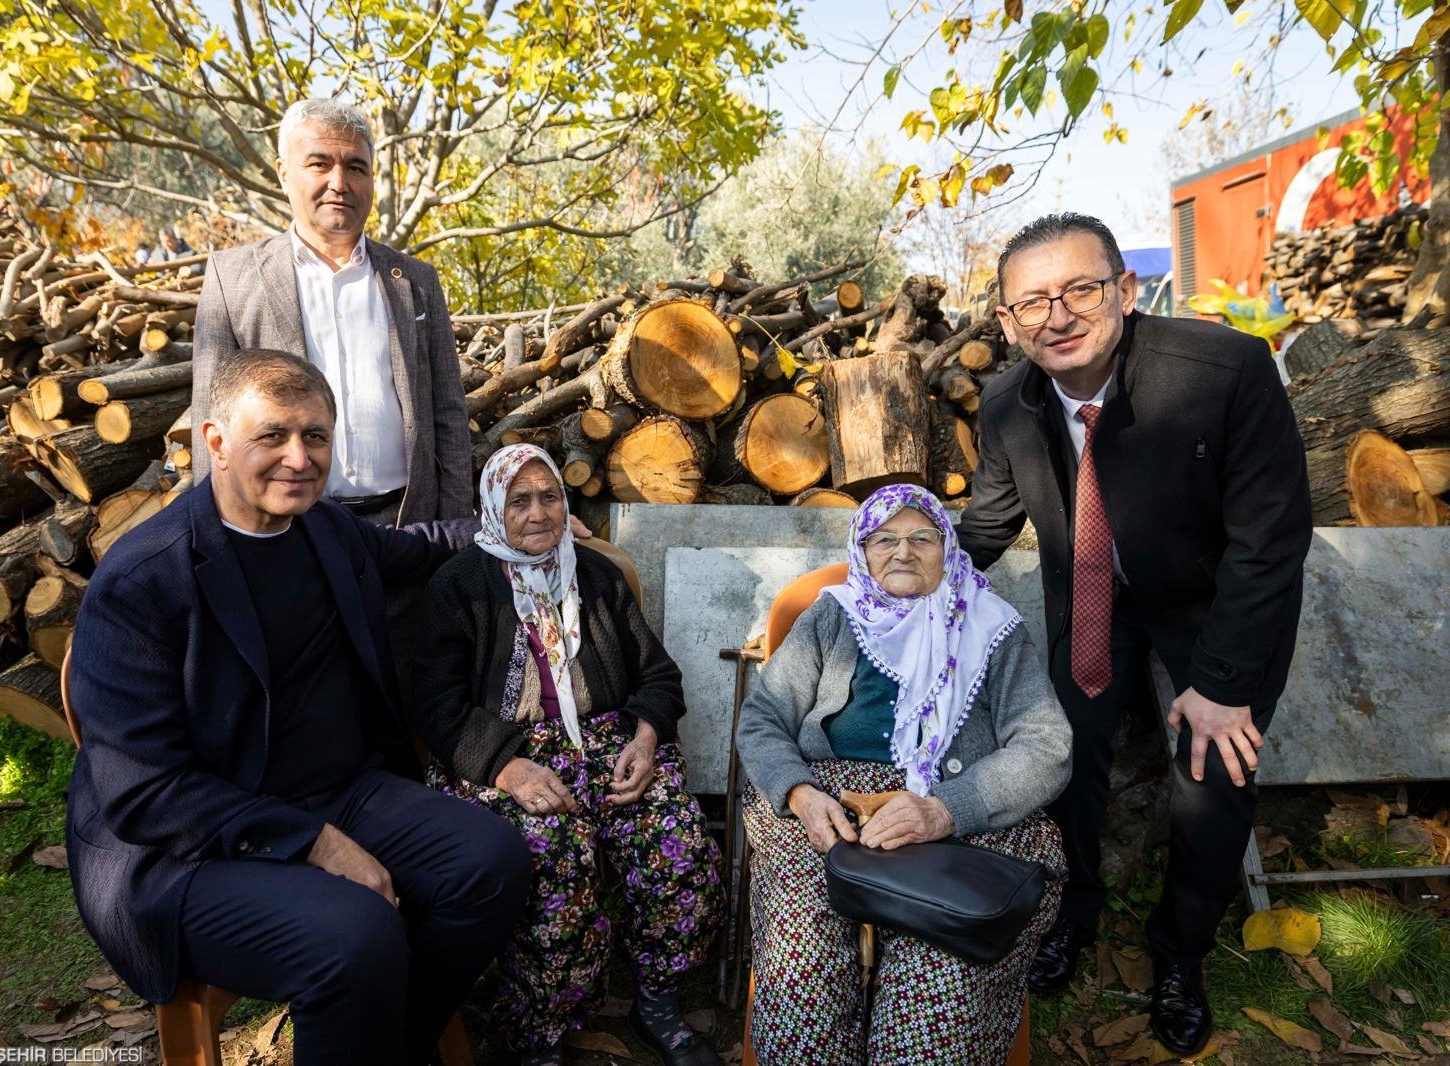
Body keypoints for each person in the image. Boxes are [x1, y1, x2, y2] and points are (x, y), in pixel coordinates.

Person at [64, 349, 531, 1065]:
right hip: (186, 849)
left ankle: (393, 1043)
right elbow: (145, 794)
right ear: (215, 443)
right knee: (355, 935)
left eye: (315, 436)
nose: (298, 457)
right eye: (272, 435)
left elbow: (416, 547)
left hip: (336, 789)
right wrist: (311, 841)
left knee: (492, 861)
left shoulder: (325, 530)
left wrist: (516, 531)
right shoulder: (143, 583)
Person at [957, 213, 1313, 1055]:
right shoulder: (1008, 400)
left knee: (1211, 779)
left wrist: (1223, 685)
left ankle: (1181, 954)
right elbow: (987, 525)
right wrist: (886, 592)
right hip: (1091, 596)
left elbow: (1271, 541)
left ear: (1123, 290)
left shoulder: (1224, 371)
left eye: (1080, 288)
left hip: (1214, 602)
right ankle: (1073, 912)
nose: (1058, 315)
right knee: (1063, 755)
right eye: (1031, 302)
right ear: (1007, 323)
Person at [736, 485, 1072, 1066]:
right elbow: (763, 719)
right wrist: (801, 794)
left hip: (957, 810)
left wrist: (945, 809)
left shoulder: (993, 627)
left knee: (941, 964)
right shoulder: (831, 615)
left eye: (923, 537)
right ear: (861, 550)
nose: (903, 552)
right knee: (804, 953)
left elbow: (1047, 746)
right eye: (884, 539)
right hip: (831, 802)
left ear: (948, 548)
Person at [415, 444, 725, 1066]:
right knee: (552, 859)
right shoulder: (459, 587)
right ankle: (542, 1029)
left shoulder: (596, 574)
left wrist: (645, 739)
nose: (538, 514)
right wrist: (506, 766)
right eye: (519, 500)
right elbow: (436, 706)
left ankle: (657, 1001)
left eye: (550, 496)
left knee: (681, 844)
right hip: (509, 754)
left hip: (610, 744)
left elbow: (658, 676)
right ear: (492, 509)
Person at [191, 97, 472, 527]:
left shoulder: (415, 281)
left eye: (355, 167)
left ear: (371, 181)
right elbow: (211, 425)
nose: (339, 182)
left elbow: (448, 414)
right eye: (319, 164)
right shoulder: (233, 279)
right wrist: (220, 535)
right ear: (284, 174)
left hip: (406, 526)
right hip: (286, 529)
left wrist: (456, 526)